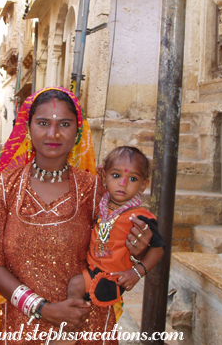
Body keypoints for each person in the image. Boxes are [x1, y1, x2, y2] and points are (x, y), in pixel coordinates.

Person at [0, 87, 153, 344]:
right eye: (43, 123)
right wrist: (42, 309)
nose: (53, 133)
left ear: (77, 131)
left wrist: (138, 249)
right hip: (23, 327)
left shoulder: (96, 189)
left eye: (64, 124)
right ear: (28, 128)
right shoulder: (6, 186)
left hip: (85, 325)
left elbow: (115, 249)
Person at [52, 146, 165, 345]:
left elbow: (159, 248)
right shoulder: (103, 206)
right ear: (104, 178)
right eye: (115, 175)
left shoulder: (140, 216)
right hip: (95, 268)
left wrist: (137, 272)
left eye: (132, 179)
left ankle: (69, 333)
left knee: (75, 285)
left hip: (110, 276)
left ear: (143, 185)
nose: (123, 184)